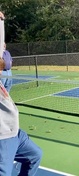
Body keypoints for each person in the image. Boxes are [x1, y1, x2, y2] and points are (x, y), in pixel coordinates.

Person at [0, 12, 42, 176]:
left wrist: (1, 22)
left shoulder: (4, 76)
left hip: (15, 132)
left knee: (35, 155)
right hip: (2, 136)